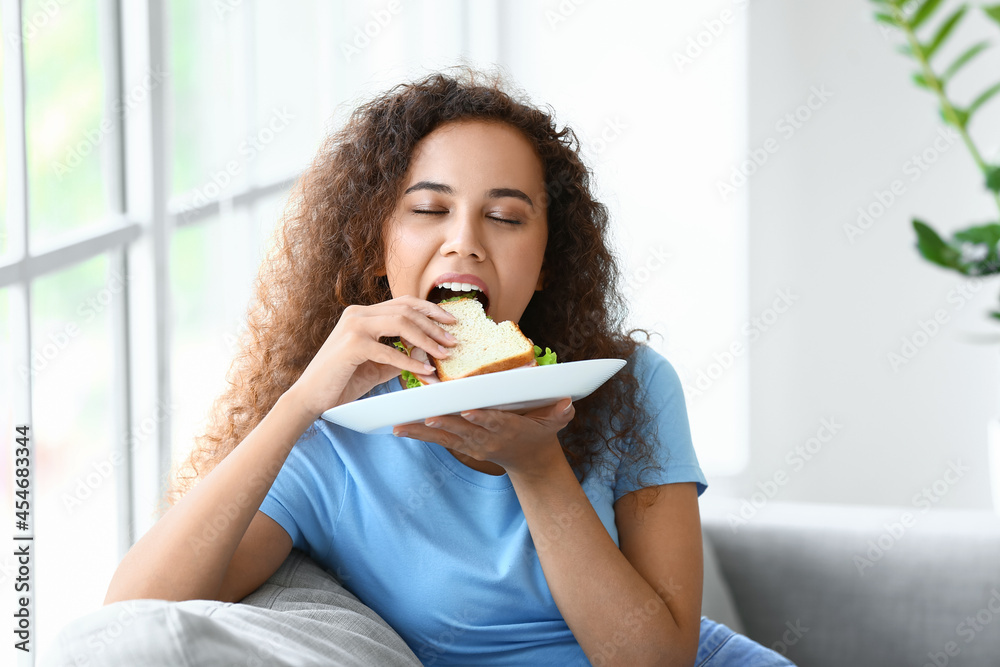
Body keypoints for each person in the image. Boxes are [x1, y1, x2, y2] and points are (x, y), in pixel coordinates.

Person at [43, 67, 794, 666]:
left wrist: (538, 466)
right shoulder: (338, 432)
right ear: (378, 246)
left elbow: (658, 658)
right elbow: (132, 619)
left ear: (545, 262)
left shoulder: (630, 386)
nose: (464, 242)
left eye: (504, 217)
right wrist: (302, 398)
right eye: (428, 209)